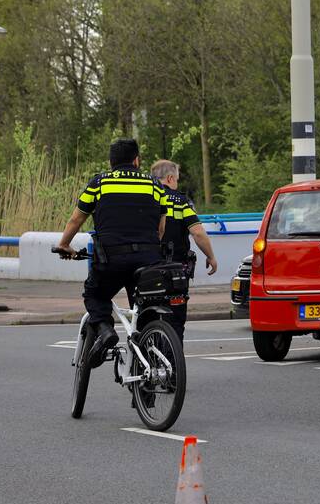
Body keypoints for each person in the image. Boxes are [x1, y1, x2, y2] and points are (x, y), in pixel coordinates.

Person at [55, 139, 166, 368]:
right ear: (136, 161)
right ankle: (151, 365)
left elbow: (76, 219)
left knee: (95, 294)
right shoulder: (154, 185)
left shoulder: (100, 183)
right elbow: (161, 228)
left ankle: (105, 330)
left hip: (112, 259)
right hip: (148, 260)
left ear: (111, 161)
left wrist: (64, 245)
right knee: (144, 309)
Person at [150, 159, 217, 341]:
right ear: (170, 178)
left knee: (147, 316)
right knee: (176, 319)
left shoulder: (146, 198)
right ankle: (173, 354)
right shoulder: (180, 201)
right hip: (175, 271)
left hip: (148, 268)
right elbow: (198, 233)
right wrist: (211, 256)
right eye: (177, 179)